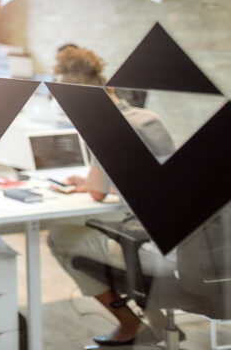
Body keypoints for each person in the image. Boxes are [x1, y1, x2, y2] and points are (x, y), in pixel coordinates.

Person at [46, 46, 177, 346]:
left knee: (60, 236)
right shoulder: (147, 117)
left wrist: (90, 185)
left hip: (148, 248)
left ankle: (130, 324)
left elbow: (96, 192)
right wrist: (97, 182)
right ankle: (152, 320)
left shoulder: (103, 124)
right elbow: (157, 179)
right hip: (185, 245)